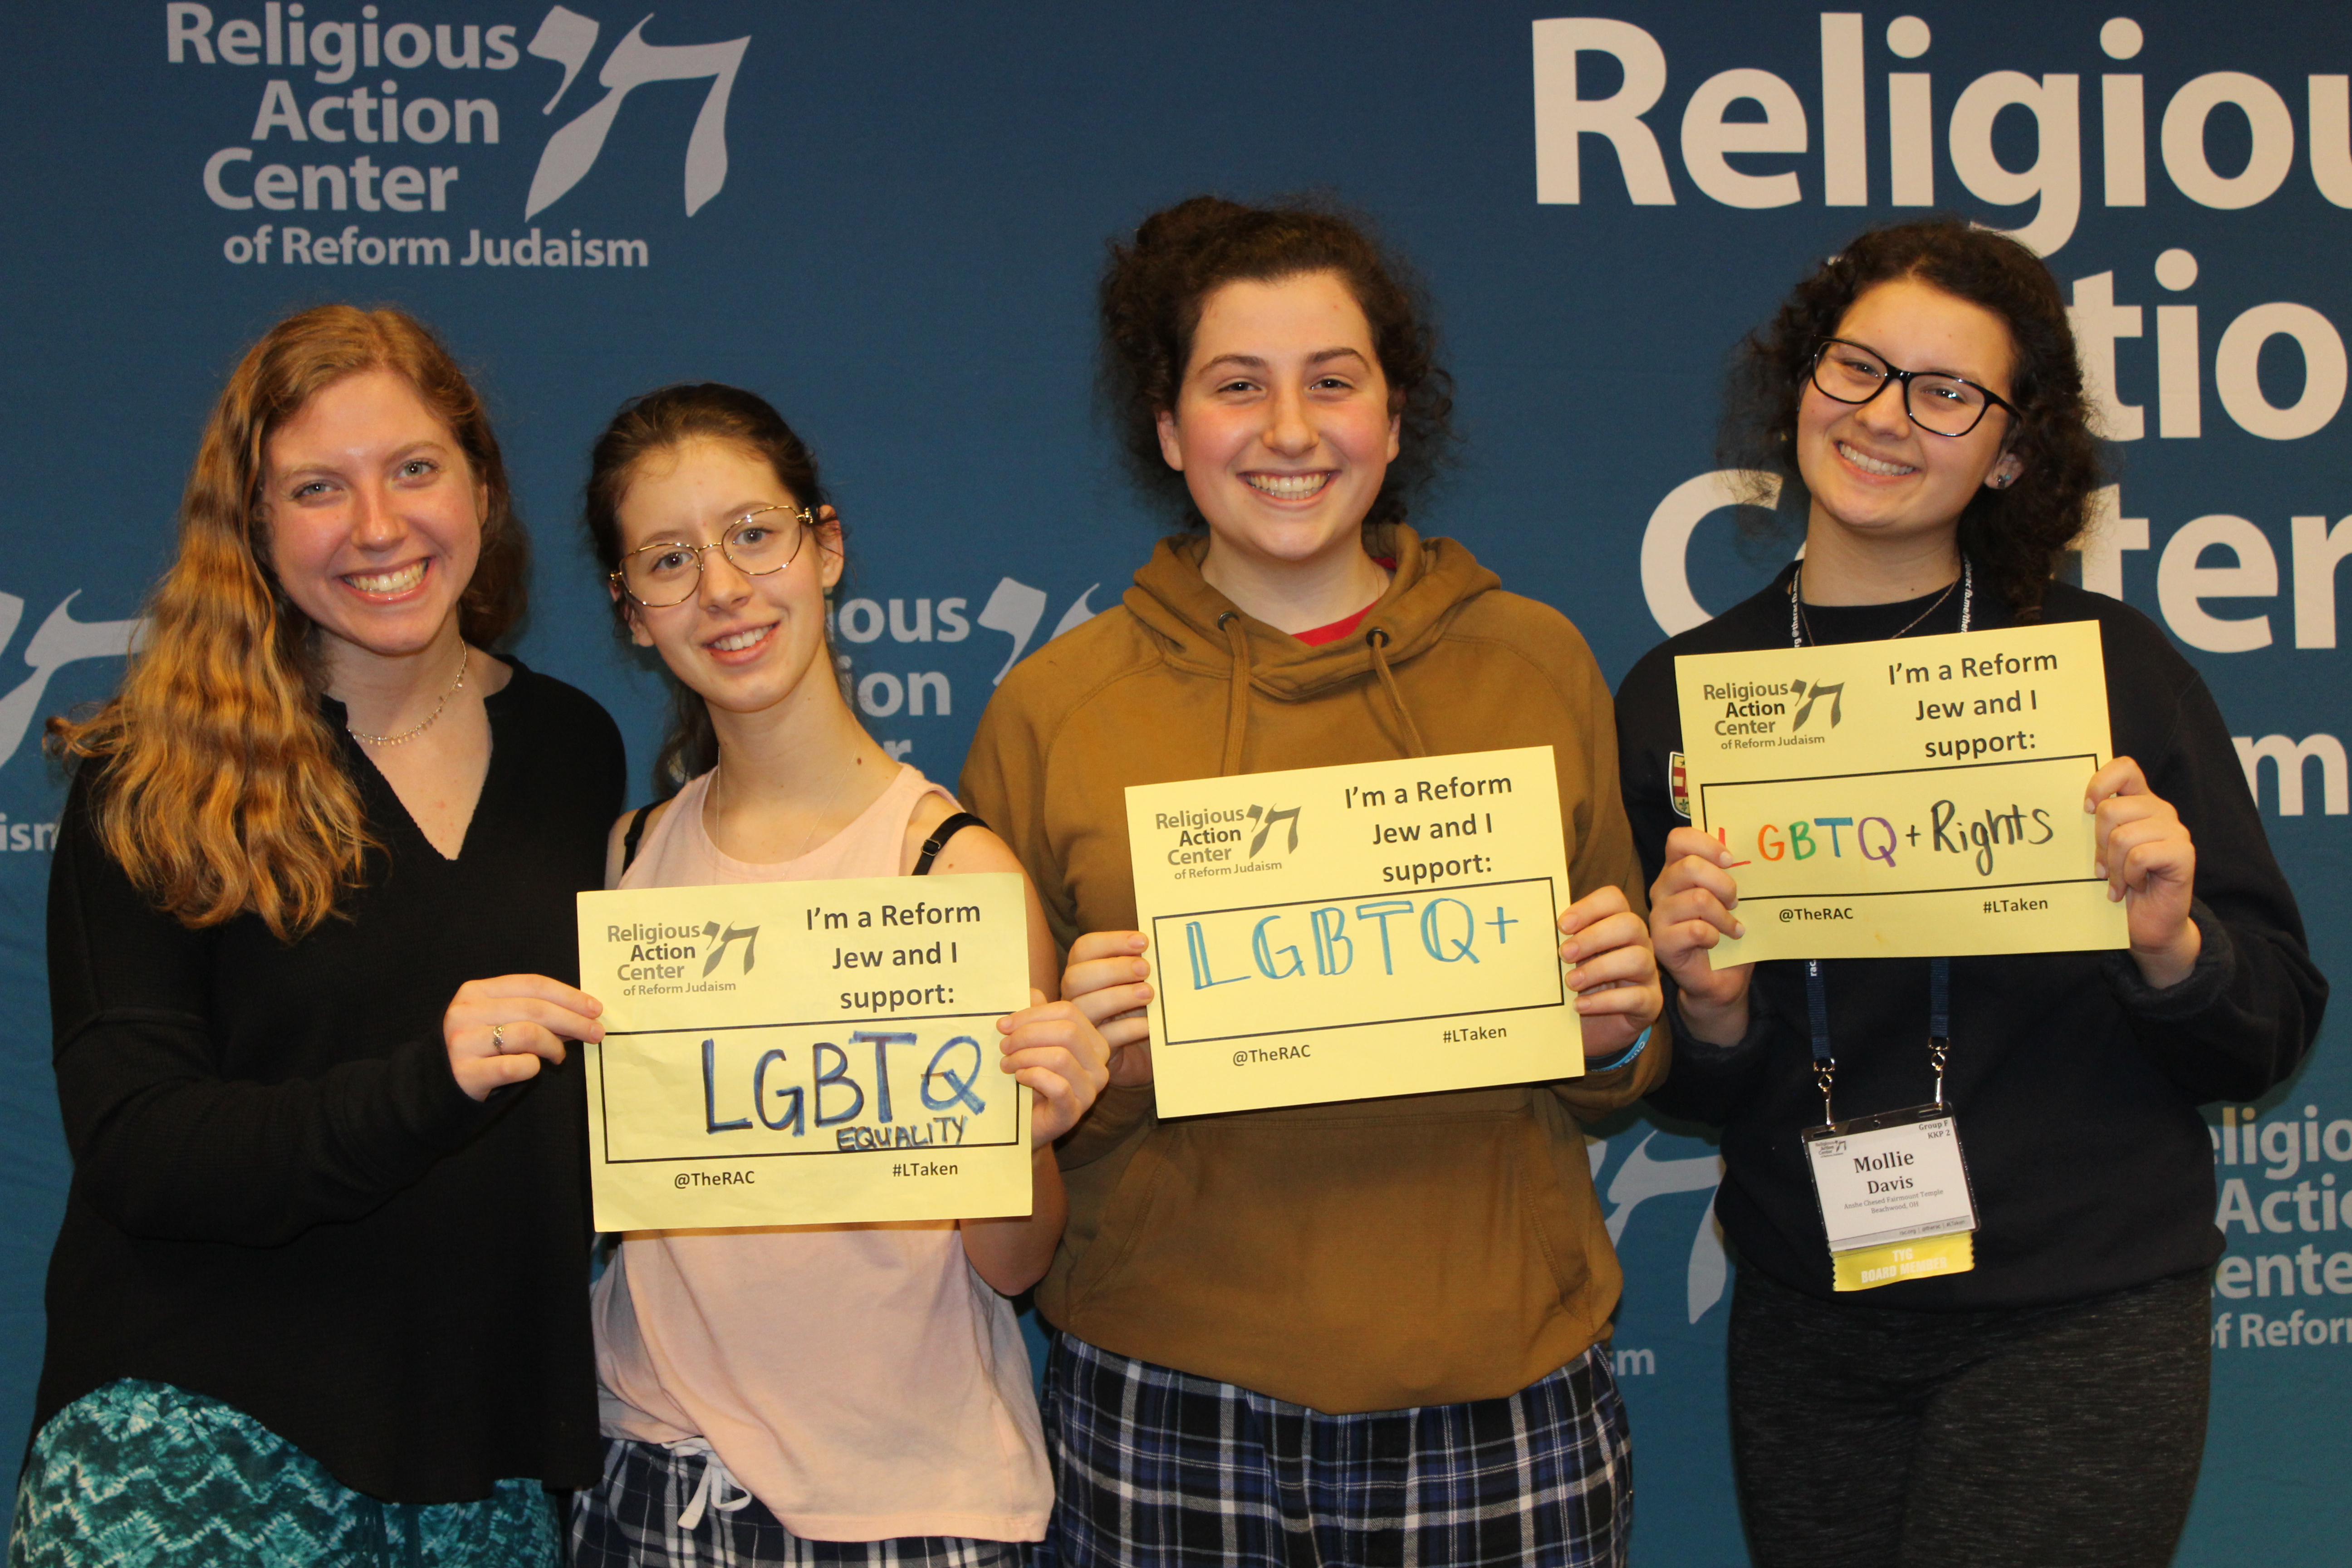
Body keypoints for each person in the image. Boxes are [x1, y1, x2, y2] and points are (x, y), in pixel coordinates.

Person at [960, 196, 1666, 1568]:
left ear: (1395, 421)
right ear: (1169, 432)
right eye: (1238, 387)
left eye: (1332, 382)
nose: (1290, 431)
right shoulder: (1054, 710)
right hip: (1168, 1404)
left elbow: (1614, 1066)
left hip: (1501, 1398)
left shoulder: (1534, 663)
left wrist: (1620, 1025)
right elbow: (1013, 1140)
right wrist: (1083, 1077)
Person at [1615, 217, 2326, 1567]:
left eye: (1946, 393)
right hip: (1809, 1314)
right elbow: (1683, 1086)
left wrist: (2172, 947)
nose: (1886, 416)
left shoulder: (2105, 669)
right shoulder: (1681, 701)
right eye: (1858, 369)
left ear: (2009, 452)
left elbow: (2273, 1024)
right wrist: (1703, 1018)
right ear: (1800, 389)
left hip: (2079, 1315)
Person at [19, 305, 624, 1566]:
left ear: (483, 483)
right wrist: (429, 1083)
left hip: (483, 1470)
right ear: (250, 525)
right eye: (316, 488)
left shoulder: (576, 749)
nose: (380, 526)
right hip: (194, 1456)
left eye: (414, 468)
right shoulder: (153, 772)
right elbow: (136, 1143)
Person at [567, 383, 1111, 1568]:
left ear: (827, 547)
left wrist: (1025, 1136)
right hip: (654, 1490)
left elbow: (1012, 1266)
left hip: (909, 1509)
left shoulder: (953, 871)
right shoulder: (625, 860)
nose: (721, 589)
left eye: (754, 535)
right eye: (668, 560)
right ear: (630, 607)